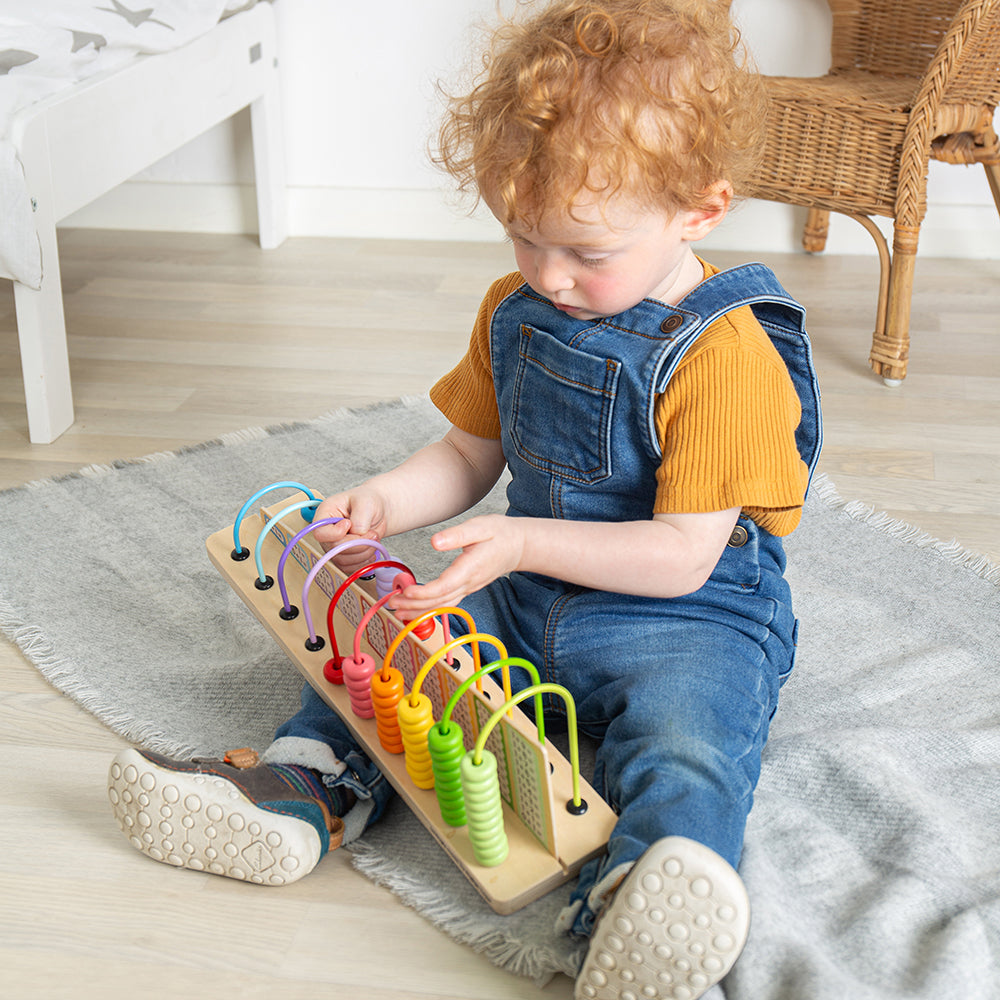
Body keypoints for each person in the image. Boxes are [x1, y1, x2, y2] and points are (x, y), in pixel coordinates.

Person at [107, 2, 822, 998]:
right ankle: (295, 792)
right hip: (524, 593)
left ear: (698, 210)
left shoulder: (725, 356)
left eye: (586, 251)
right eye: (523, 236)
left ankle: (642, 894)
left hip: (686, 614)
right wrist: (386, 502)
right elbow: (466, 449)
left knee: (687, 734)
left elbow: (680, 556)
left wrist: (523, 539)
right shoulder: (516, 310)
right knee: (387, 649)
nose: (549, 277)